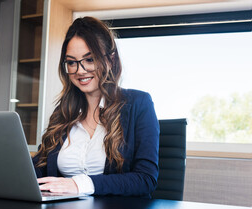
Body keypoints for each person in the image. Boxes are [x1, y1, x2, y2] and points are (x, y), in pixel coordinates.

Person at [32, 16, 159, 197]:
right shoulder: (63, 111)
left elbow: (146, 179)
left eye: (89, 59)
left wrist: (79, 184)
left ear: (110, 60)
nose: (80, 70)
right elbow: (40, 167)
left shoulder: (139, 104)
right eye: (71, 62)